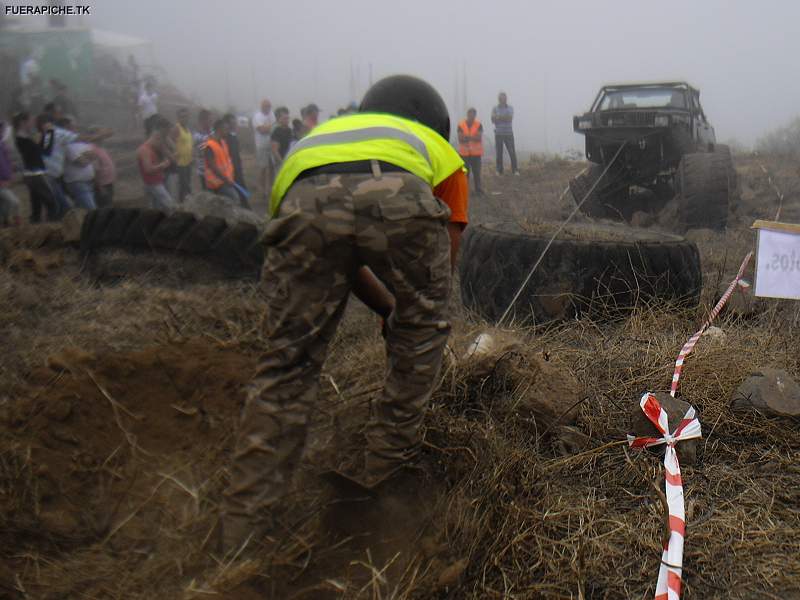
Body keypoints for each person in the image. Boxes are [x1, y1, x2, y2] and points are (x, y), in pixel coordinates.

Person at [221, 74, 469, 551]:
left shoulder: (312, 142)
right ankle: (384, 486)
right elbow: (444, 261)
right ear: (433, 122)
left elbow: (341, 259)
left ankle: (243, 527)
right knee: (422, 333)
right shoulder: (436, 149)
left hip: (302, 200)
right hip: (399, 199)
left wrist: (384, 306)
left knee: (286, 367)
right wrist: (409, 317)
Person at [12, 112, 59, 223]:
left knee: (36, 206)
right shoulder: (23, 140)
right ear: (23, 122)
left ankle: (36, 229)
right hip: (35, 175)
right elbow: (44, 151)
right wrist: (49, 132)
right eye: (31, 121)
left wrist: (46, 134)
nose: (33, 124)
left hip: (32, 175)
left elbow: (43, 151)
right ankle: (50, 228)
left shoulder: (23, 139)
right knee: (52, 203)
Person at [137, 116, 175, 211]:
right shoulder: (144, 150)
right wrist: (162, 165)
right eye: (159, 139)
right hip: (153, 183)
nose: (162, 143)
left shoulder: (153, 149)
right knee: (170, 205)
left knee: (156, 207)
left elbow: (171, 151)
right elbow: (148, 169)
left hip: (157, 181)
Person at [204, 119, 244, 207]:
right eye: (225, 129)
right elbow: (212, 166)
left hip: (224, 180)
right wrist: (225, 179)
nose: (227, 131)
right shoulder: (209, 145)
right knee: (234, 199)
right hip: (216, 182)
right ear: (219, 129)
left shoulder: (223, 142)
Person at [60, 117, 96, 210]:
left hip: (89, 182)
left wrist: (85, 156)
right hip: (77, 183)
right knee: (91, 209)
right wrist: (87, 156)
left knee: (82, 210)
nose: (75, 128)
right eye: (72, 126)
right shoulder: (66, 145)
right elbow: (82, 162)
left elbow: (94, 155)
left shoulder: (83, 142)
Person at [457, 107, 484, 195]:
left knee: (477, 173)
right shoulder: (461, 125)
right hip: (464, 154)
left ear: (475, 115)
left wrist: (467, 137)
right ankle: (464, 191)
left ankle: (478, 190)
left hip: (476, 154)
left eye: (473, 114)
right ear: (467, 114)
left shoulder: (479, 124)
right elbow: (460, 139)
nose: (472, 116)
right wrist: (472, 137)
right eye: (470, 114)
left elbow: (479, 138)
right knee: (465, 174)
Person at [491, 92, 518, 175]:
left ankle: (515, 170)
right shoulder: (495, 108)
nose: (502, 99)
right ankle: (499, 170)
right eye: (501, 98)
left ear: (506, 99)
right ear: (499, 99)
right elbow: (493, 120)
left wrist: (498, 117)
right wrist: (502, 117)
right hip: (498, 133)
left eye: (504, 98)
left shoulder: (510, 108)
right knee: (499, 153)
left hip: (508, 133)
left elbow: (509, 118)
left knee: (512, 152)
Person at [0, 121, 21, 226]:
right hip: (2, 182)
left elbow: (7, 162)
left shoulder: (3, 144)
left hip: (5, 181)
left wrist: (10, 175)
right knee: (14, 202)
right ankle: (16, 222)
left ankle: (6, 223)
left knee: (5, 204)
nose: (3, 132)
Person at [253, 99, 275, 195]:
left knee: (272, 166)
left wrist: (268, 127)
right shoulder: (257, 116)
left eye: (269, 106)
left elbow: (274, 127)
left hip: (271, 143)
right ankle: (261, 188)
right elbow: (262, 130)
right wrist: (270, 127)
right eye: (266, 106)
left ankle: (271, 187)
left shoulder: (271, 114)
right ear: (262, 106)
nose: (268, 108)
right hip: (261, 144)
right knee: (263, 167)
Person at [172, 107, 194, 202]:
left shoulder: (188, 129)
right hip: (180, 162)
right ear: (178, 118)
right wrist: (174, 154)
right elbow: (170, 141)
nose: (184, 118)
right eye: (182, 117)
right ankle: (184, 204)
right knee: (184, 185)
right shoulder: (177, 128)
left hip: (188, 161)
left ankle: (184, 202)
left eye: (186, 116)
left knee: (187, 184)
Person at [223, 113, 247, 199]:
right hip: (229, 169)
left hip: (237, 167)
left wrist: (239, 166)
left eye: (234, 123)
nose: (234, 125)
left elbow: (236, 153)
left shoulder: (234, 136)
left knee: (241, 188)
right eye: (232, 123)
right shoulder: (223, 138)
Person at [89, 134, 116, 208]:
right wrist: (100, 187)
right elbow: (94, 170)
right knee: (105, 205)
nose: (103, 139)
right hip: (102, 184)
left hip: (108, 182)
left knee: (109, 203)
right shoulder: (92, 150)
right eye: (101, 136)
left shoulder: (100, 148)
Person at [193, 109, 213, 191]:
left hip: (214, 169)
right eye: (209, 119)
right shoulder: (197, 135)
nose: (211, 121)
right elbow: (202, 149)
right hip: (203, 170)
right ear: (203, 120)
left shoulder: (212, 131)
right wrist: (209, 140)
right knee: (207, 193)